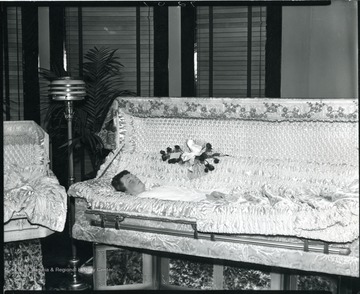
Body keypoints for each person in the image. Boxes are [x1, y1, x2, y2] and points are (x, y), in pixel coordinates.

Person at [111, 170, 227, 202]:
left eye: (134, 176)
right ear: (127, 193)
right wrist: (208, 198)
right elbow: (181, 201)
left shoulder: (152, 191)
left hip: (207, 198)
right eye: (130, 181)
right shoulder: (146, 198)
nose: (136, 179)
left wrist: (208, 194)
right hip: (207, 201)